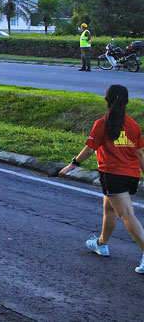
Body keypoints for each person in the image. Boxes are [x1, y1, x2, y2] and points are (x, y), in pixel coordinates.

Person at [59, 85, 144, 274]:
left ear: (107, 100)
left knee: (127, 214)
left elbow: (90, 150)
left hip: (113, 175)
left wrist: (73, 164)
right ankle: (102, 244)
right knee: (109, 208)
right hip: (131, 175)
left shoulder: (102, 124)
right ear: (127, 101)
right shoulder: (133, 125)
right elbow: (139, 154)